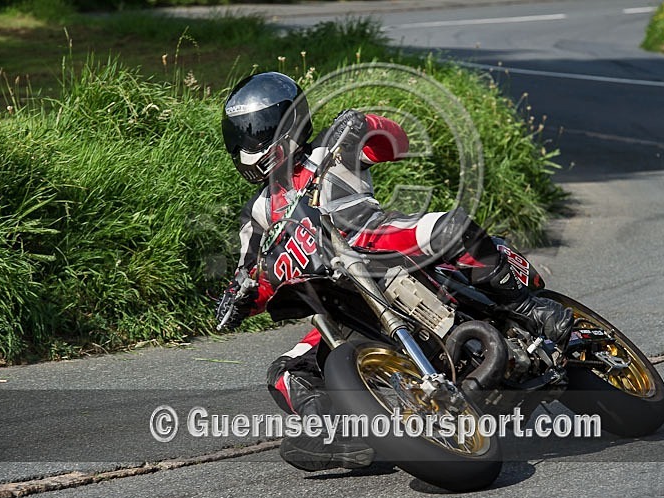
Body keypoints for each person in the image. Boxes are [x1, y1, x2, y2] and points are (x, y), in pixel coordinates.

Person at [215, 71, 573, 472]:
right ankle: (329, 432)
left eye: (256, 131)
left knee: (451, 228)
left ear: (287, 121)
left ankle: (526, 307)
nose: (247, 145)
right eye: (241, 135)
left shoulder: (331, 148)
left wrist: (366, 124)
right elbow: (254, 274)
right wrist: (237, 298)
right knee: (286, 371)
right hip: (338, 297)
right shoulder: (258, 212)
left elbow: (395, 143)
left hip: (379, 241)